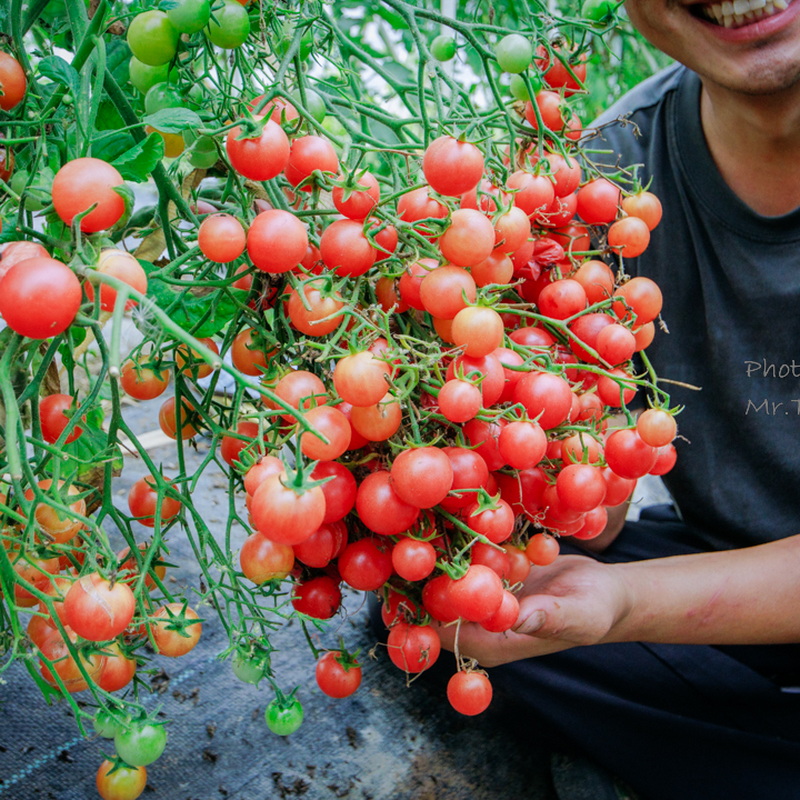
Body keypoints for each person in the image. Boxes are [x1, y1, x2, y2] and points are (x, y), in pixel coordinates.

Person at [437, 2, 800, 799]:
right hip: (736, 565)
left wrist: (630, 606)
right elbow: (587, 518)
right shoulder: (607, 178)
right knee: (465, 621)